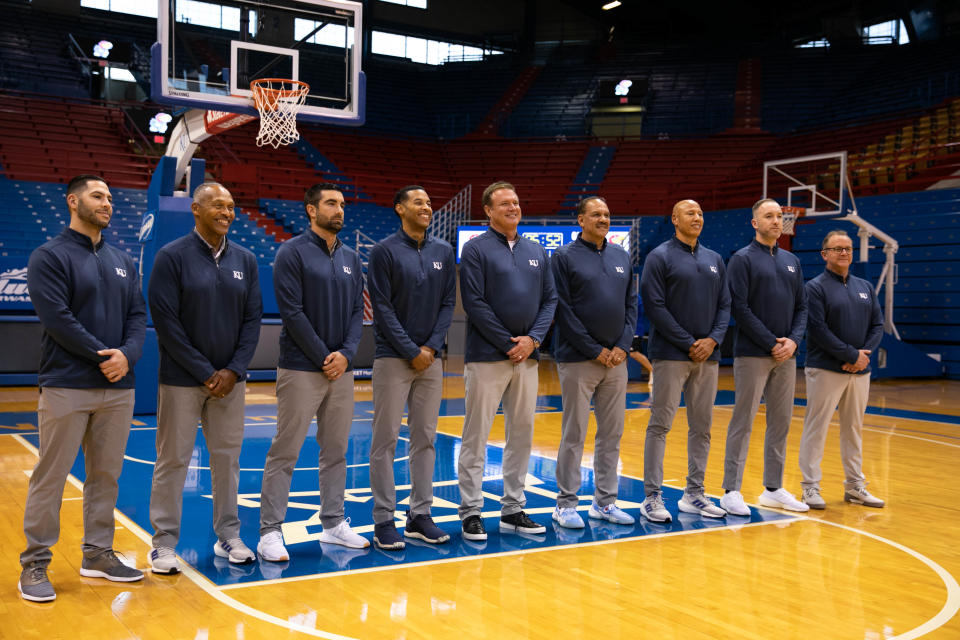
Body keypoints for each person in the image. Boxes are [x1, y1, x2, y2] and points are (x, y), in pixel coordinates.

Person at [19, 174, 146, 601]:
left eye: (110, 197)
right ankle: (35, 563)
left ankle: (97, 554)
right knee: (51, 477)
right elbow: (58, 319)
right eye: (98, 196)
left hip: (118, 386)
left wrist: (126, 355)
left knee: (106, 477)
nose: (107, 203)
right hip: (67, 384)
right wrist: (104, 356)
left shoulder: (124, 261)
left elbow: (137, 317)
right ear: (73, 202)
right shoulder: (49, 256)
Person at [147, 182, 263, 573]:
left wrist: (233, 370)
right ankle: (163, 544)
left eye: (231, 206)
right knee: (173, 460)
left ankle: (228, 535)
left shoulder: (245, 260)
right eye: (218, 205)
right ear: (195, 209)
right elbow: (166, 321)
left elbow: (252, 321)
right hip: (182, 379)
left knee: (227, 461)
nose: (226, 212)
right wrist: (204, 371)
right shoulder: (171, 256)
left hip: (231, 381)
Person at [258, 183, 368, 560]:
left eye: (342, 204)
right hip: (302, 367)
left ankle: (334, 523)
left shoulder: (352, 257)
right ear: (311, 210)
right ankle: (270, 531)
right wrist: (326, 356)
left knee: (336, 451)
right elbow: (292, 312)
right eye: (331, 204)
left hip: (342, 369)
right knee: (285, 450)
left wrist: (347, 354)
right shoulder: (292, 252)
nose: (339, 210)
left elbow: (358, 312)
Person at [457, 181, 557, 541]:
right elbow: (474, 303)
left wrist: (532, 341)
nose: (512, 208)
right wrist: (507, 342)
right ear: (488, 210)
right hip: (487, 357)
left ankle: (513, 508)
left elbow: (550, 300)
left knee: (522, 435)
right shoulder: (475, 250)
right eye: (504, 204)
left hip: (528, 359)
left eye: (515, 202)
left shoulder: (536, 251)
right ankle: (470, 511)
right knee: (476, 435)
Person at [368, 186, 456, 550]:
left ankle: (420, 515)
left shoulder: (444, 251)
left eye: (430, 203)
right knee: (385, 440)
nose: (427, 207)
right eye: (418, 202)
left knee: (425, 439)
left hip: (430, 359)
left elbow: (449, 302)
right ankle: (383, 520)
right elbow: (382, 308)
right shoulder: (383, 251)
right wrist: (410, 350)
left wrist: (431, 347)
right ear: (399, 208)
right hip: (393, 357)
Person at [639, 199, 730, 523]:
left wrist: (713, 339)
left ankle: (695, 493)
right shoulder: (659, 257)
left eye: (701, 213)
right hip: (670, 355)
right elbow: (655, 306)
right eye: (690, 213)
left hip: (708, 357)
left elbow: (725, 305)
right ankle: (652, 497)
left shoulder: (714, 259)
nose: (698, 217)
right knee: (660, 425)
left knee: (702, 427)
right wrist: (688, 342)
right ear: (675, 219)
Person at [718, 199, 808, 516]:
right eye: (768, 216)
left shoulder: (792, 262)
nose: (776, 221)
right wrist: (772, 342)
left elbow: (802, 307)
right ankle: (731, 490)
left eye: (779, 216)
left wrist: (793, 342)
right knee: (742, 422)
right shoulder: (742, 260)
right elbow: (739, 308)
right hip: (753, 353)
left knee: (780, 422)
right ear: (755, 223)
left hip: (786, 356)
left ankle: (773, 488)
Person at [551, 196, 637, 529]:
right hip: (577, 359)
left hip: (616, 360)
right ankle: (565, 504)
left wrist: (623, 346)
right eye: (596, 214)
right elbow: (562, 309)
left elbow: (632, 305)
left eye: (607, 213)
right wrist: (592, 348)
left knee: (611, 434)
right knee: (574, 432)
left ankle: (605, 502)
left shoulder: (621, 256)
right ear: (581, 220)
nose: (603, 218)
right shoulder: (563, 257)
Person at [798, 230, 885, 509]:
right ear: (825, 255)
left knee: (853, 428)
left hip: (860, 371)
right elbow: (818, 329)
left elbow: (877, 325)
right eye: (837, 249)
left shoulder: (865, 287)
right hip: (825, 369)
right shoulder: (815, 287)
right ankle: (810, 487)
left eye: (847, 248)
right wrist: (850, 355)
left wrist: (862, 358)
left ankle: (854, 485)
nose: (844, 253)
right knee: (817, 427)